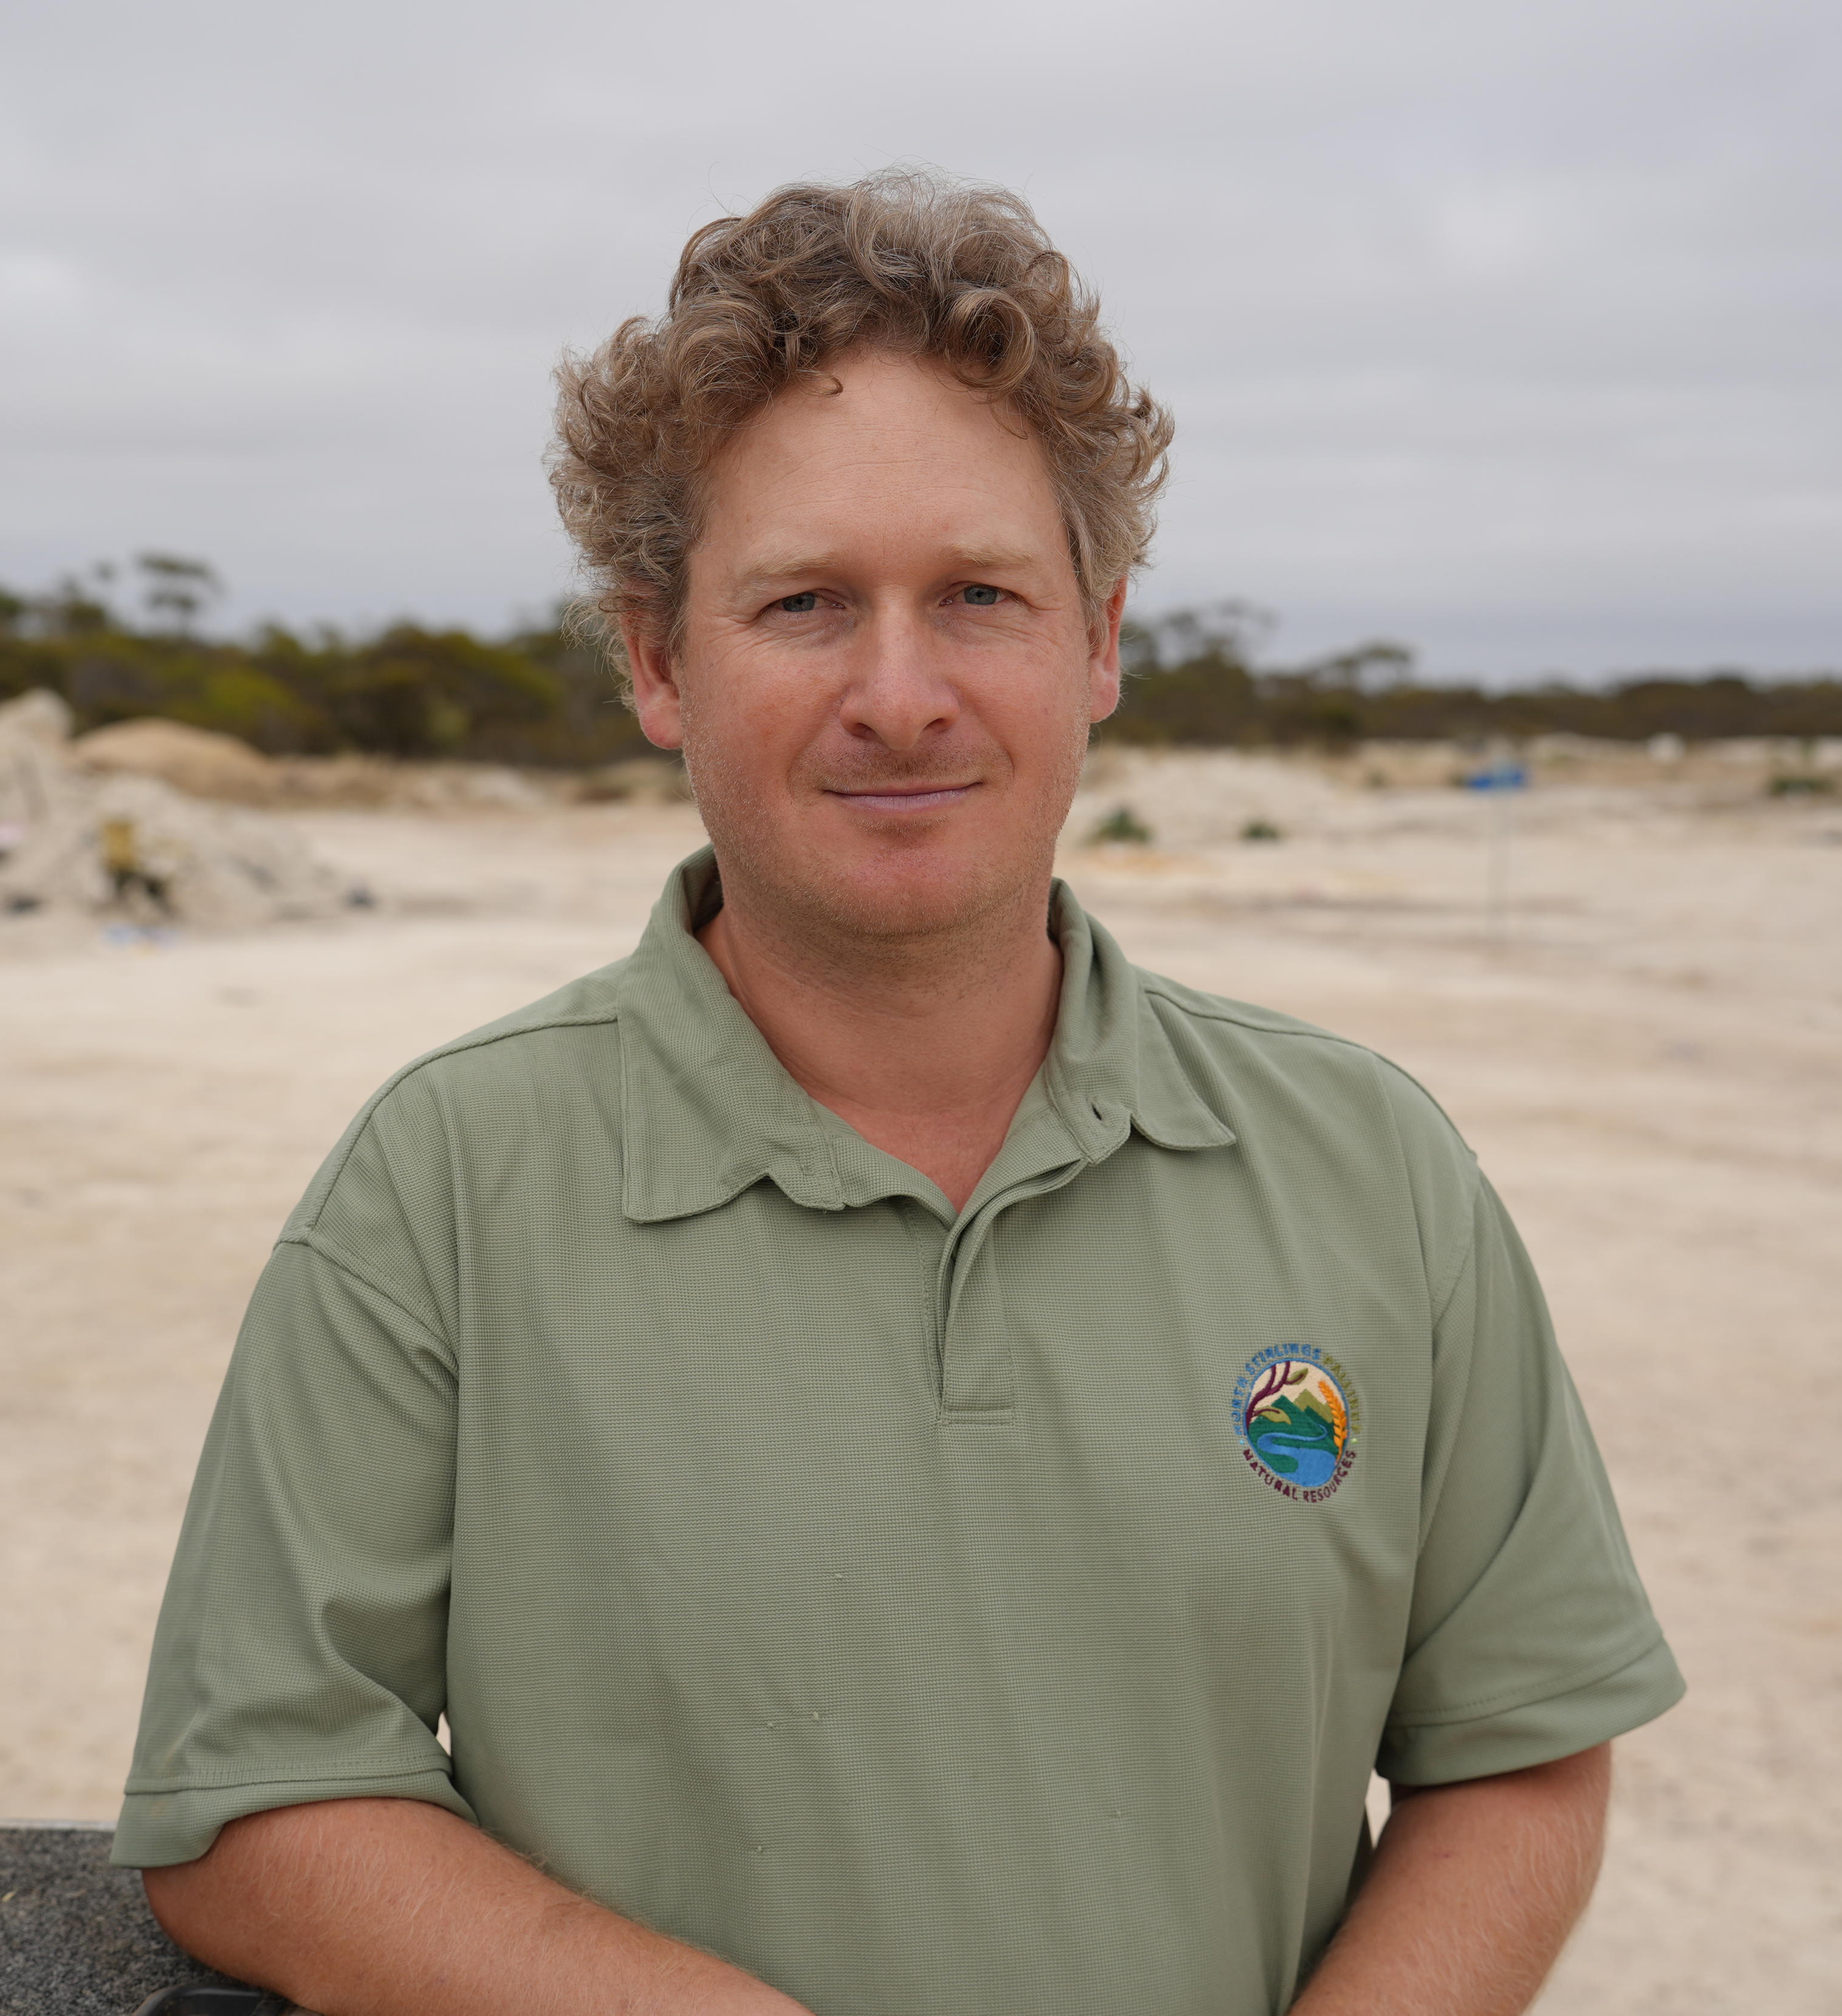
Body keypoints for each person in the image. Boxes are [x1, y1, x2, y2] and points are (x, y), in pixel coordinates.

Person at [116, 169, 1683, 2016]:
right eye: (804, 603)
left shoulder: (1370, 1163)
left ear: (1099, 641)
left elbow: (1520, 1752)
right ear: (656, 660)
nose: (901, 693)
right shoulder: (445, 1183)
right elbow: (255, 1801)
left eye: (978, 597)